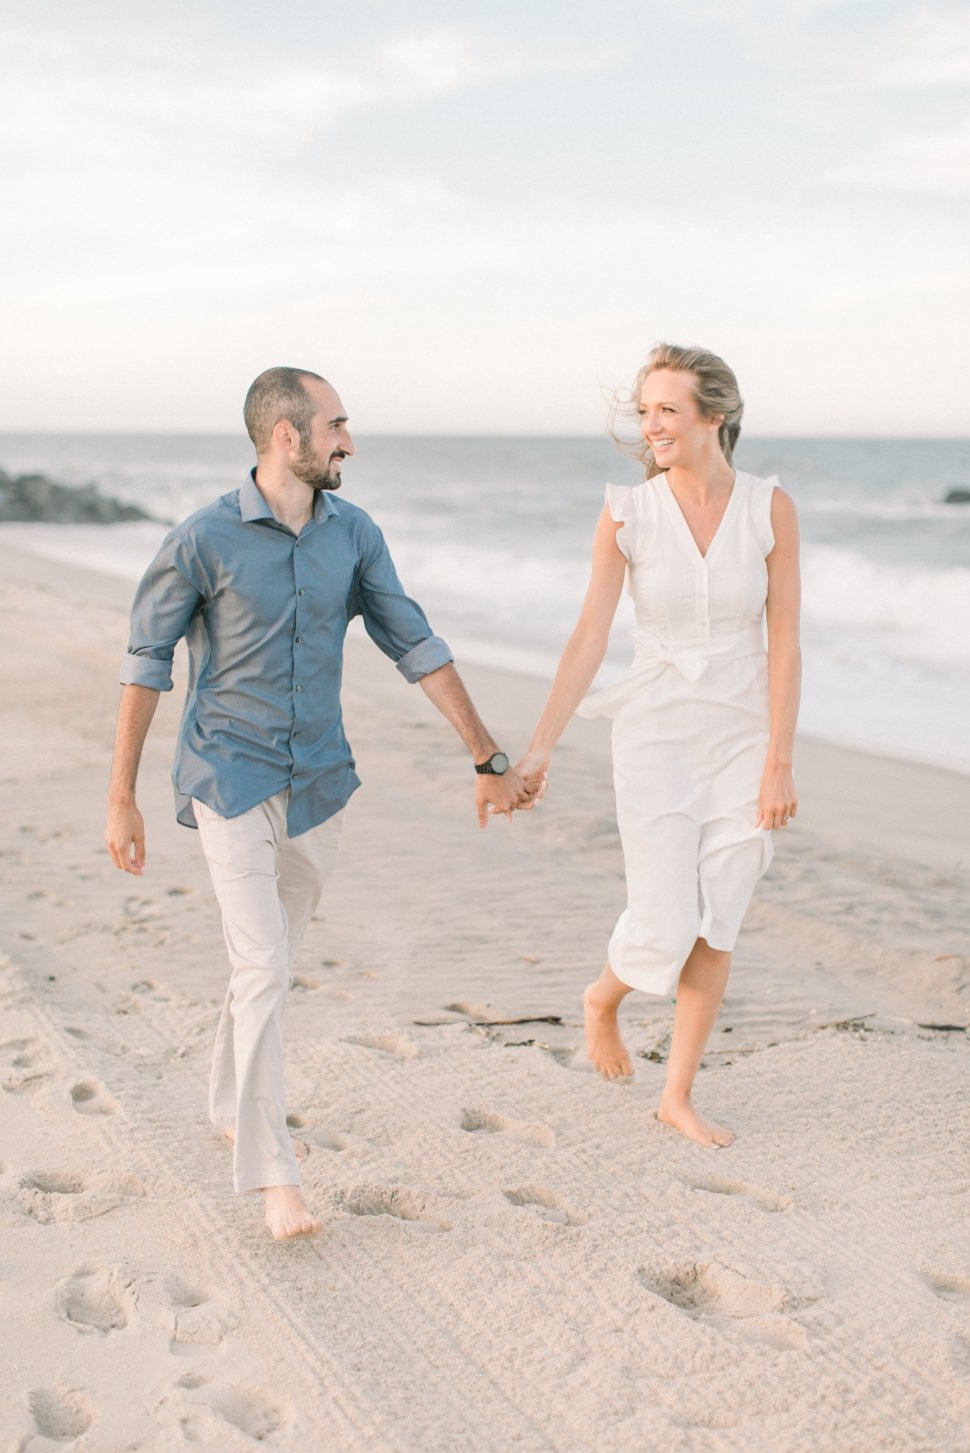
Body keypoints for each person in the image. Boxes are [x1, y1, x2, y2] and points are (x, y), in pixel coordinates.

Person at [104, 367, 537, 1238]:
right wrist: (122, 796)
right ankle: (274, 1179)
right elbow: (146, 663)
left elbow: (411, 639)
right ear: (286, 437)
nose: (349, 440)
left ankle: (229, 1099)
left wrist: (486, 754)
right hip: (229, 776)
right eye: (336, 424)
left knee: (266, 962)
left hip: (321, 787)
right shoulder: (203, 540)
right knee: (264, 966)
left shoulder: (355, 534)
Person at [516, 343, 800, 1148]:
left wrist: (779, 757)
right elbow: (587, 637)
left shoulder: (769, 507)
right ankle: (603, 996)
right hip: (656, 734)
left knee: (722, 918)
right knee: (666, 918)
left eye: (667, 409)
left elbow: (786, 644)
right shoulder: (626, 513)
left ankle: (676, 1094)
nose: (652, 425)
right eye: (645, 411)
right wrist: (541, 747)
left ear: (716, 415)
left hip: (744, 732)